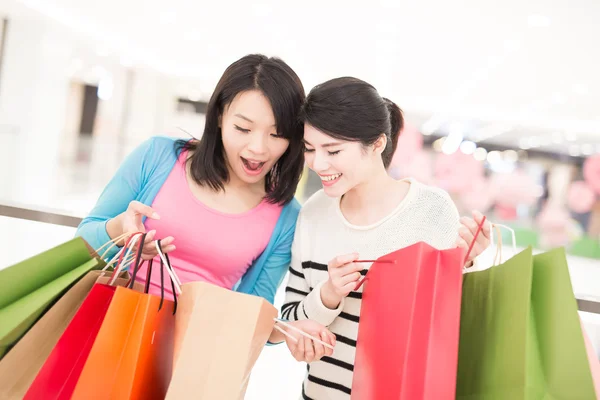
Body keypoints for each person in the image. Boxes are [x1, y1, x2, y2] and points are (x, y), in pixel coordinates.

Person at [270, 77, 491, 399]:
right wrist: (328, 295)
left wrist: (467, 262)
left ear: (377, 144)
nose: (318, 164)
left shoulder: (430, 208)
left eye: (333, 150)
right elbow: (290, 318)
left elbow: (448, 325)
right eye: (309, 149)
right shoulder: (313, 213)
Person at [76, 54, 309, 308]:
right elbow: (81, 243)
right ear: (219, 116)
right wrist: (119, 230)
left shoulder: (286, 216)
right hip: (108, 323)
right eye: (243, 128)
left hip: (196, 343)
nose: (258, 148)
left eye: (277, 134)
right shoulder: (157, 155)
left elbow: (254, 314)